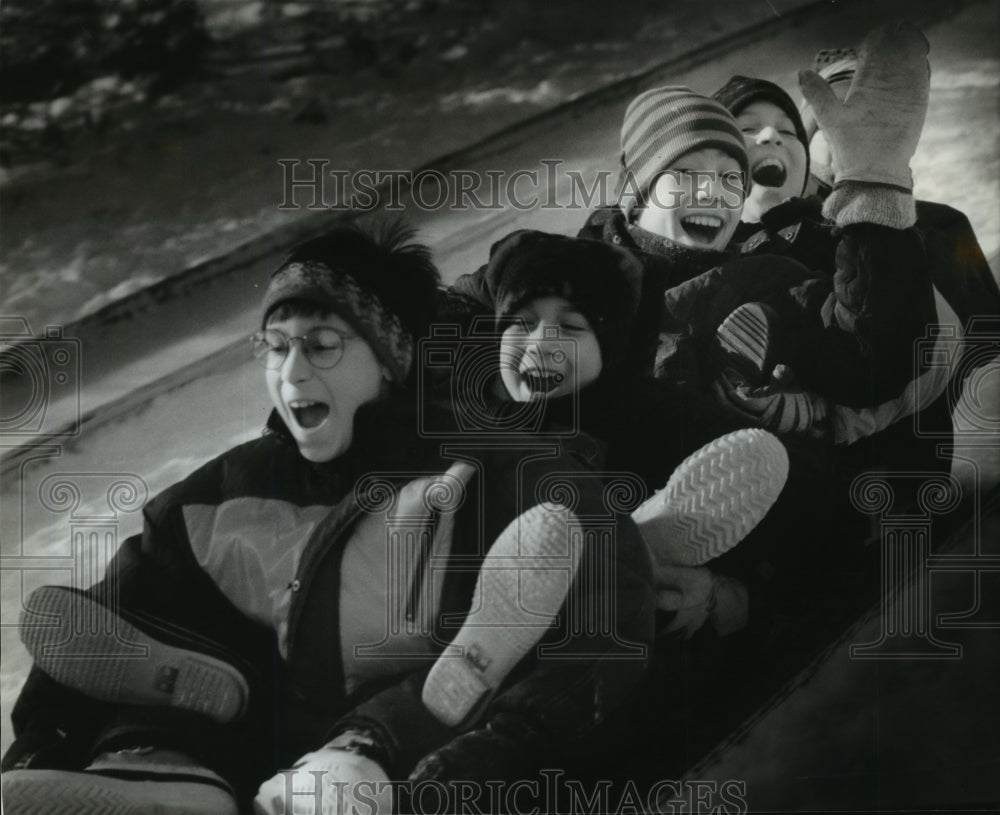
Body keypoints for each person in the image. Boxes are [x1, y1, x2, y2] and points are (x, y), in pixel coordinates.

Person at [2, 222, 656, 815]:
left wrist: (507, 747)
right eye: (276, 346)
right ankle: (156, 759)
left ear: (390, 359)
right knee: (171, 642)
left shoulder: (506, 475)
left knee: (439, 688)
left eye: (322, 345)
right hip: (255, 760)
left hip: (415, 761)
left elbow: (605, 629)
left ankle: (331, 756)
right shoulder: (222, 493)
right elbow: (100, 630)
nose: (291, 372)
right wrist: (39, 746)